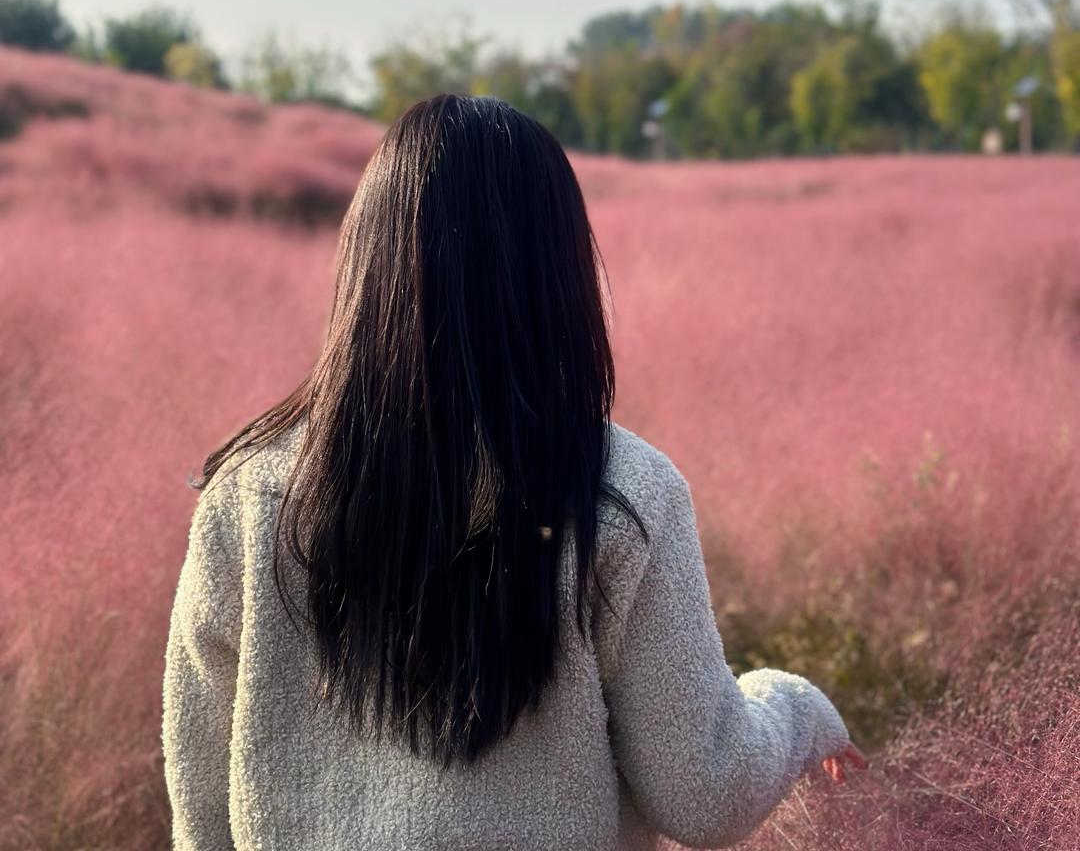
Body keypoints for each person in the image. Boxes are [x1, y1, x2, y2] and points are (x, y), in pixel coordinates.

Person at [162, 94, 866, 851]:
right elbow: (706, 793)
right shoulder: (618, 492)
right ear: (558, 270)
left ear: (365, 261)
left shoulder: (250, 493)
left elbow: (201, 809)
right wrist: (797, 710)